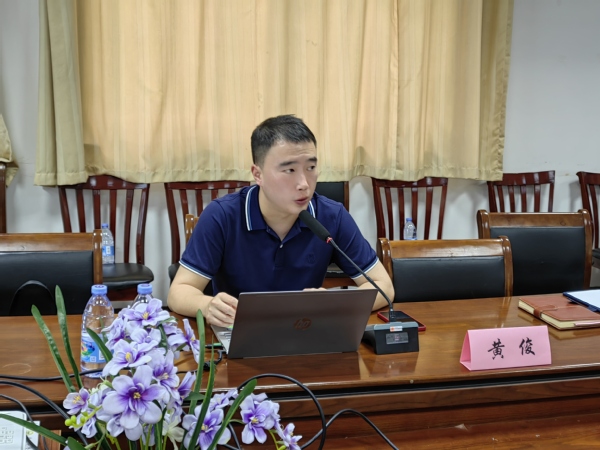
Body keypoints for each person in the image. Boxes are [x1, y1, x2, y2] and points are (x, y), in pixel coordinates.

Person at [168, 115, 394, 325]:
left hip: (305, 331)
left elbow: (384, 287)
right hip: (239, 331)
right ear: (258, 174)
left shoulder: (331, 216)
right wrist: (207, 305)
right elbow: (179, 291)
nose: (304, 183)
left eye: (311, 167)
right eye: (290, 170)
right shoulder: (222, 216)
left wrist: (332, 304)